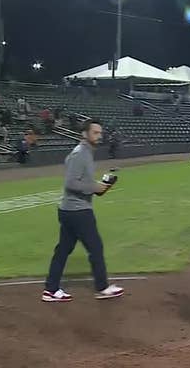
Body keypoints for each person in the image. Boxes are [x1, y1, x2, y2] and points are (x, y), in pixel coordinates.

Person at [42, 119, 124, 302]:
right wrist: (94, 187)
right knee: (95, 247)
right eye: (95, 132)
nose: (99, 135)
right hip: (78, 211)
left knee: (63, 249)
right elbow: (71, 183)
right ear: (84, 134)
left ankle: (50, 289)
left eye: (100, 133)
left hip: (70, 210)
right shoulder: (80, 153)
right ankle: (102, 288)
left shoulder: (85, 152)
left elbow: (81, 181)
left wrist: (101, 187)